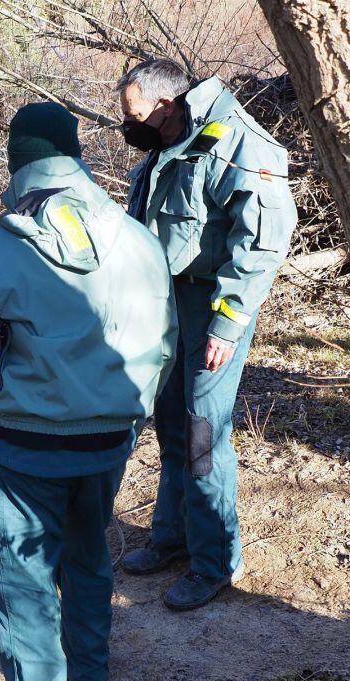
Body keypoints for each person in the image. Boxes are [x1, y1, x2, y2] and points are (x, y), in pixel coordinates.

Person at [0, 102, 177, 681]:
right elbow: (166, 344)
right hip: (107, 440)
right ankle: (88, 677)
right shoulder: (139, 239)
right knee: (90, 551)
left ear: (19, 166)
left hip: (23, 446)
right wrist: (129, 419)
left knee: (24, 575)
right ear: (76, 158)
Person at [116, 59, 297, 609]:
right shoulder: (173, 140)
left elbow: (264, 243)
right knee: (170, 422)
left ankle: (215, 560)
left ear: (168, 106)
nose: (131, 126)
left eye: (137, 115)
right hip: (166, 303)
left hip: (211, 307)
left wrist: (227, 321)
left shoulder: (238, 143)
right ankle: (172, 537)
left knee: (202, 434)